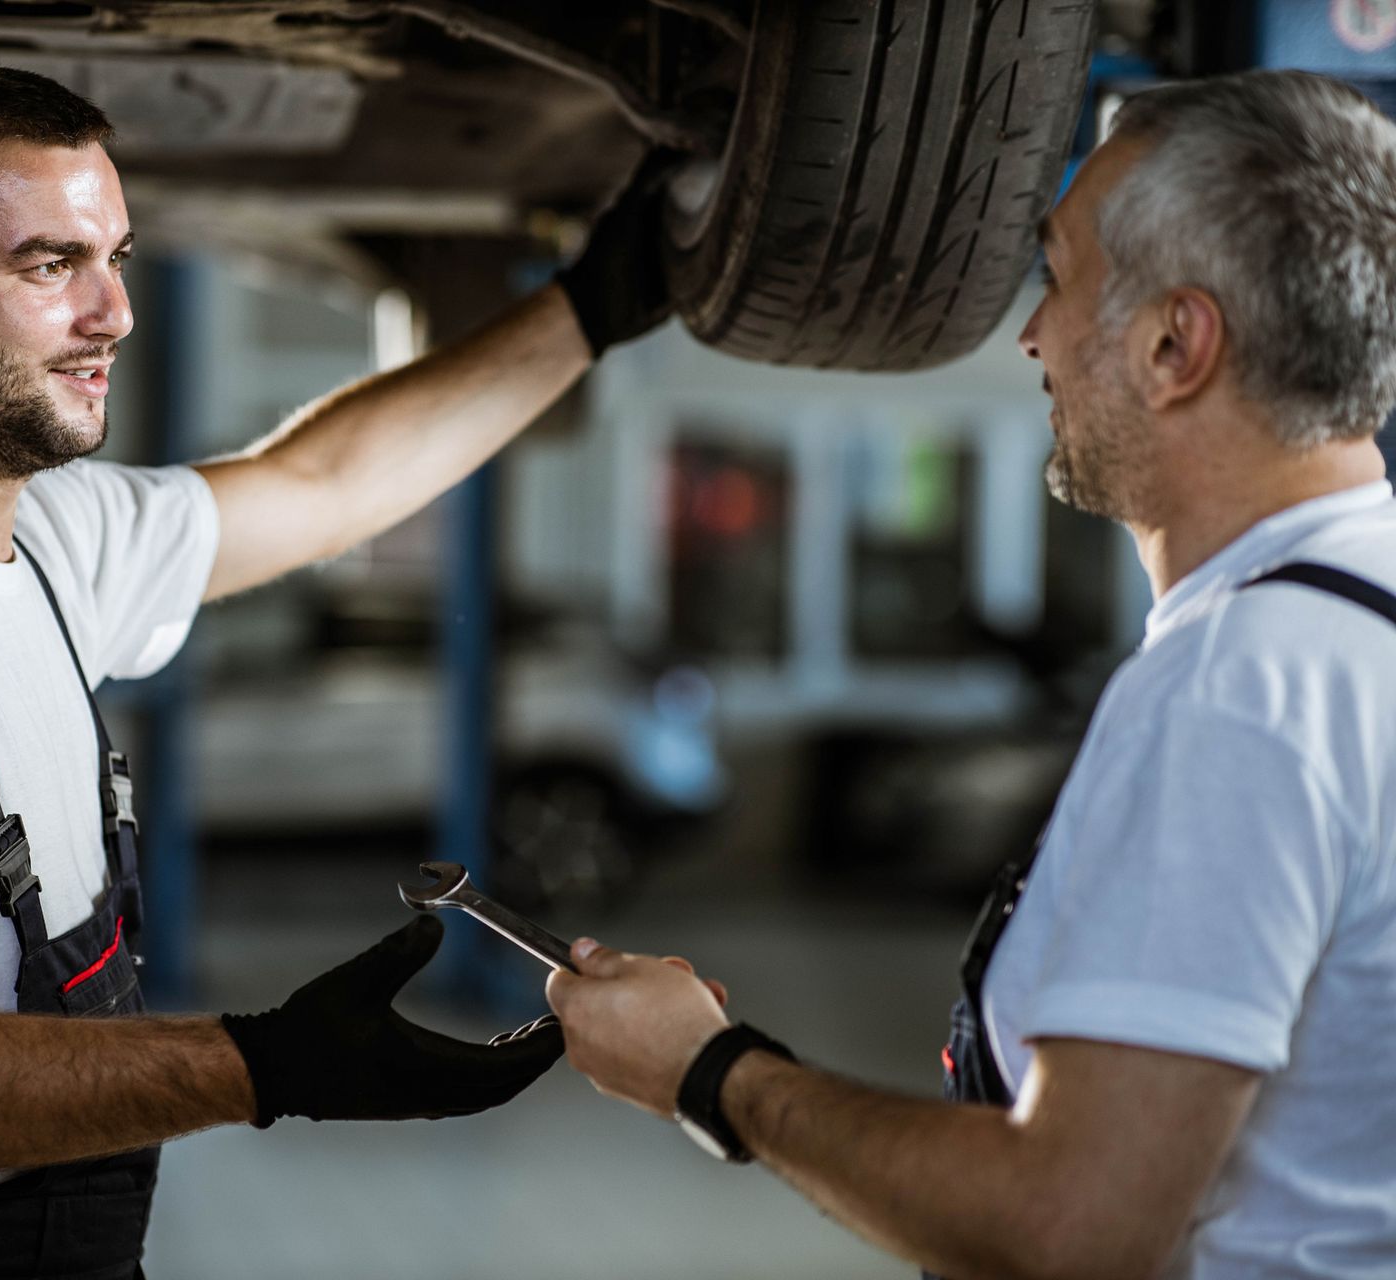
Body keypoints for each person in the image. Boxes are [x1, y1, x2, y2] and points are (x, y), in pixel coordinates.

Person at [0, 58, 669, 1278]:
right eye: (49, 265)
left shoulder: (46, 536)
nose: (114, 311)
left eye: (114, 257)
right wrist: (263, 1064)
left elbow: (322, 482)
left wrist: (590, 307)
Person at [546, 68, 1396, 1279]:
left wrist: (709, 1070)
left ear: (1175, 344)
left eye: (1057, 276)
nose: (1032, 334)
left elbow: (1068, 1227)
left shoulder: (1242, 688)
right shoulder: (1361, 616)